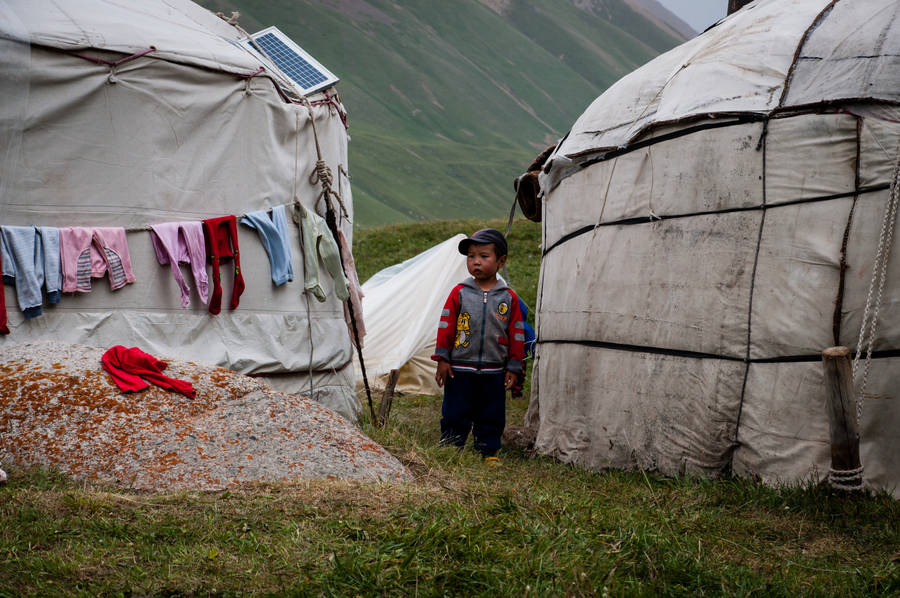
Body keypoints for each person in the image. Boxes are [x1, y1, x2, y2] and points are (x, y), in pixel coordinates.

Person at [432, 228, 526, 466]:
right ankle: (452, 446)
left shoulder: (509, 298)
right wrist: (443, 359)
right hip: (459, 368)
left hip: (494, 370)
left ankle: (489, 450)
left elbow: (516, 333)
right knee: (455, 410)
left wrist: (514, 366)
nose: (476, 262)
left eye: (484, 256)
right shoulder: (459, 293)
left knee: (491, 413)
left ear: (501, 261)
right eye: (471, 256)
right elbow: (446, 326)